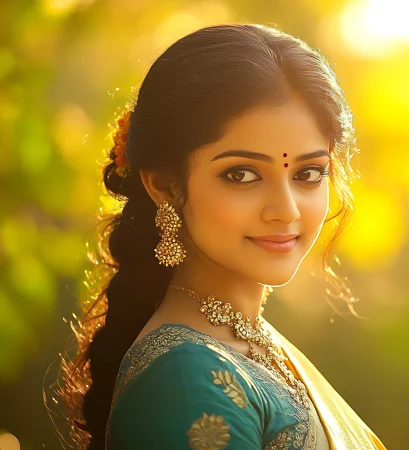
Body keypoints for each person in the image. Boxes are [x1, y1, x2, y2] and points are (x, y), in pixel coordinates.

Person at [57, 23, 387, 450]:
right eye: (243, 174)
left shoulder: (251, 343)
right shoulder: (187, 380)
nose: (285, 210)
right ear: (165, 185)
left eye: (308, 173)